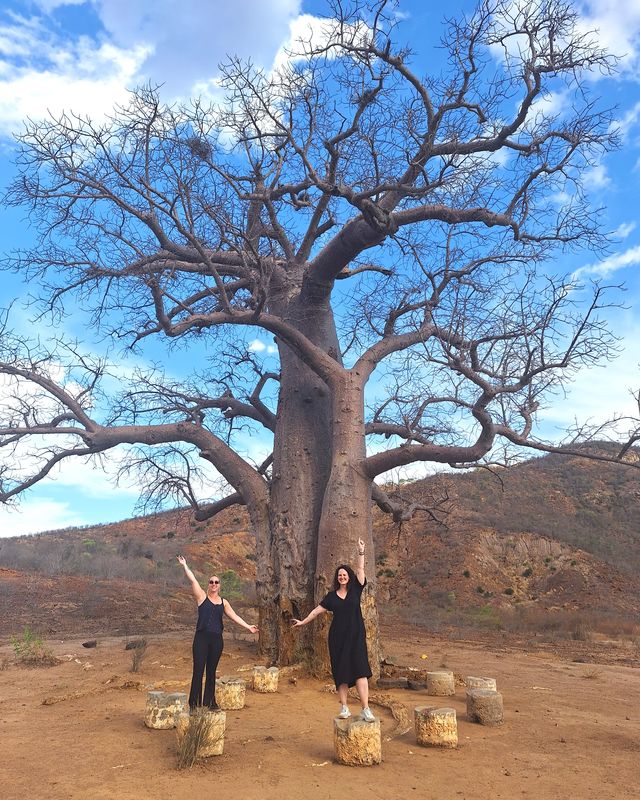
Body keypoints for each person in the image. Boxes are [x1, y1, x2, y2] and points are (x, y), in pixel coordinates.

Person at [291, 537, 374, 722]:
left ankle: (365, 709)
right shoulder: (331, 597)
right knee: (341, 672)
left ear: (349, 576)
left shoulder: (356, 590)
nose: (342, 577)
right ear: (337, 578)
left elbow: (360, 569)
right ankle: (344, 707)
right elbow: (316, 611)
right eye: (339, 575)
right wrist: (303, 622)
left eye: (344, 574)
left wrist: (361, 551)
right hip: (338, 638)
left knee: (361, 670)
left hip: (356, 637)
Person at [177, 554, 258, 711]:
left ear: (220, 586)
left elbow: (234, 616)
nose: (213, 584)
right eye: (211, 582)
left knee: (212, 672)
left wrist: (248, 627)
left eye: (216, 582)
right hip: (201, 639)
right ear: (208, 585)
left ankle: (210, 703)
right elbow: (193, 580)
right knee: (198, 670)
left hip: (216, 641)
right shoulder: (201, 597)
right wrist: (185, 565)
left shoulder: (224, 602)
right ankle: (194, 705)